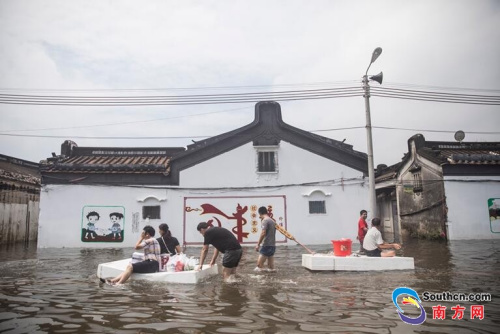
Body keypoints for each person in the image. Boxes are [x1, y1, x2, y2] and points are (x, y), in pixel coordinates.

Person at [254, 206, 277, 272]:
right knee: (271, 268)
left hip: (266, 245)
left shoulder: (265, 220)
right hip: (272, 245)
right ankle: (271, 280)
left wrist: (258, 244)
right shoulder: (272, 220)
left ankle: (261, 281)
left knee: (259, 266)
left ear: (260, 213)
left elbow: (263, 233)